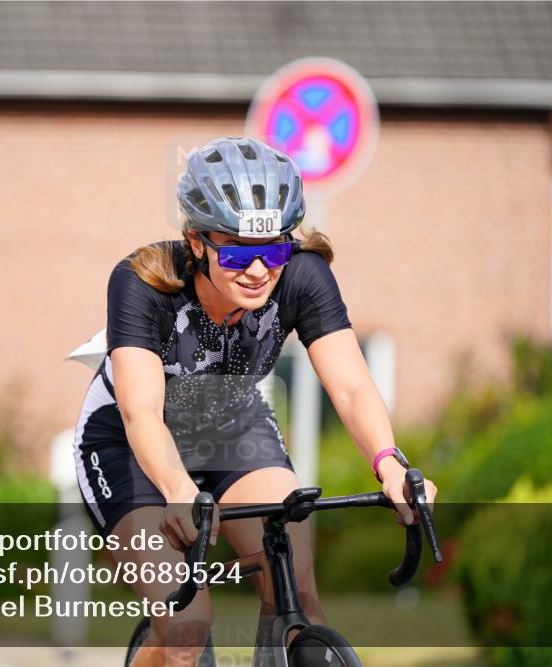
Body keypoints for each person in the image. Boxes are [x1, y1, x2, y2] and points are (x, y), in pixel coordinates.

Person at [72, 137, 438, 666]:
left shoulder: (304, 276)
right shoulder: (144, 282)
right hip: (129, 444)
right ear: (196, 242)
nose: (259, 271)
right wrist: (176, 488)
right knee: (186, 626)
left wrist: (389, 463)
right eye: (239, 252)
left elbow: (352, 387)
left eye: (273, 251)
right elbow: (141, 412)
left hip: (231, 426)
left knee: (297, 587)